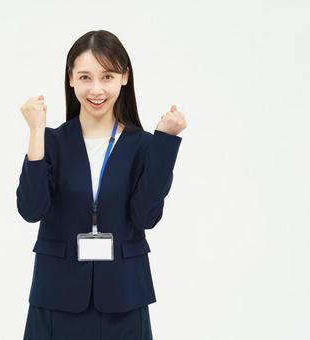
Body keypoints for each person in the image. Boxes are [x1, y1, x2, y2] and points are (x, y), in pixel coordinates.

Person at [17, 29, 187, 340]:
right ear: (71, 79)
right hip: (57, 294)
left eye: (107, 77)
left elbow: (145, 217)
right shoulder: (51, 141)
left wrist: (165, 142)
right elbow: (31, 208)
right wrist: (36, 132)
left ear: (124, 77)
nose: (96, 89)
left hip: (123, 295)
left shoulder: (142, 146)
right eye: (85, 77)